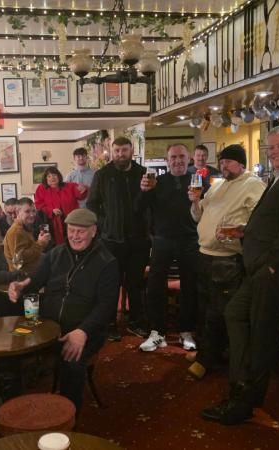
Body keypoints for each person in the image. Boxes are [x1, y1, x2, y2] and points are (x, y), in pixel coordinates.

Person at [202, 125, 279, 424]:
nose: (276, 151)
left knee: (262, 337)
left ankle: (245, 402)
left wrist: (273, 266)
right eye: (271, 148)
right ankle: (240, 386)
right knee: (235, 314)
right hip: (259, 270)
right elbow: (274, 223)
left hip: (273, 272)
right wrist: (245, 231)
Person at [8, 208, 119, 410]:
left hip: (85, 329)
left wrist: (82, 332)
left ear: (93, 231)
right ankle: (10, 410)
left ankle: (68, 420)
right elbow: (35, 281)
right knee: (11, 353)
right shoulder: (54, 254)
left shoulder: (107, 262)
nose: (75, 236)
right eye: (71, 230)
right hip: (47, 327)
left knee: (71, 363)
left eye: (81, 231)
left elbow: (106, 306)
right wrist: (21, 286)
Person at [187, 145, 265, 379]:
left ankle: (208, 359)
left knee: (218, 311)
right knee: (203, 308)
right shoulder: (218, 184)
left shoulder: (254, 185)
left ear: (241, 164)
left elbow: (260, 223)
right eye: (221, 162)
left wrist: (240, 230)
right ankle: (206, 351)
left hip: (228, 259)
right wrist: (195, 201)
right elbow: (198, 216)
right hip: (204, 254)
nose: (224, 166)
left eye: (229, 162)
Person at [137, 143, 201, 352]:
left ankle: (186, 330)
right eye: (173, 157)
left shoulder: (197, 181)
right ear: (167, 160)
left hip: (190, 239)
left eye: (181, 156)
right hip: (162, 239)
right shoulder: (158, 182)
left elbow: (204, 211)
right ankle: (157, 331)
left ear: (189, 158)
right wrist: (144, 191)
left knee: (190, 286)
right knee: (155, 285)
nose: (177, 161)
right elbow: (140, 209)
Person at [87, 136, 151, 340]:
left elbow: (150, 204)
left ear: (132, 150)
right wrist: (104, 224)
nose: (120, 154)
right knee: (111, 285)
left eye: (124, 150)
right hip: (110, 241)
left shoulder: (143, 174)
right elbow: (91, 204)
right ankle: (109, 324)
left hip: (138, 240)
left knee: (135, 283)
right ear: (112, 152)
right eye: (117, 151)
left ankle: (136, 322)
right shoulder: (102, 174)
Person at [35, 166, 86, 246]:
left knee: (73, 243)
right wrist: (51, 210)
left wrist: (83, 189)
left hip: (71, 221)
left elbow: (81, 195)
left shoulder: (70, 186)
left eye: (54, 175)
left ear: (59, 176)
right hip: (52, 223)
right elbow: (39, 205)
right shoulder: (41, 188)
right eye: (49, 176)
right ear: (46, 179)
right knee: (56, 246)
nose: (52, 178)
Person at [4, 197, 52, 275]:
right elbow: (18, 260)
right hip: (22, 278)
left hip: (31, 273)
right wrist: (40, 243)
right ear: (17, 212)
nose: (32, 215)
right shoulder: (16, 231)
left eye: (33, 211)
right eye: (27, 211)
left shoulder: (25, 228)